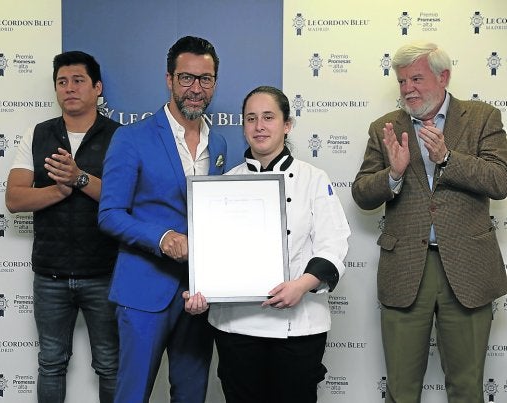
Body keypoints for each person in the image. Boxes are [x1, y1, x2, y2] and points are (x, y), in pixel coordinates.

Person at [352, 41, 507, 403]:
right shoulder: (384, 128)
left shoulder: (482, 117)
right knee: (401, 391)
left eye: (416, 79)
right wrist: (393, 174)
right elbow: (362, 193)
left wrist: (448, 158)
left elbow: (500, 181)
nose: (408, 89)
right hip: (405, 269)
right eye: (402, 81)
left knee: (467, 389)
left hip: (468, 269)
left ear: (444, 77)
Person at [184, 86, 351, 403]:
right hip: (236, 328)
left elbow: (333, 245)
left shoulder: (313, 179)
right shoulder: (223, 184)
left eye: (268, 117)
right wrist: (202, 291)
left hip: (299, 327)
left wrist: (300, 285)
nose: (259, 126)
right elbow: (214, 256)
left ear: (287, 125)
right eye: (251, 118)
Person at [98, 36, 227, 403]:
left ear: (214, 83)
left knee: (192, 395)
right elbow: (109, 214)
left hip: (198, 294)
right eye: (186, 77)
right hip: (143, 290)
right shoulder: (131, 138)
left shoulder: (218, 144)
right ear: (169, 79)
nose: (196, 89)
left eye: (205, 79)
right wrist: (162, 237)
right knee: (132, 395)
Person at [5, 51, 120, 403]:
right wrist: (57, 190)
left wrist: (79, 178)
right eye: (62, 82)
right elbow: (14, 199)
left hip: (105, 273)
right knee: (51, 364)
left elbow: (126, 200)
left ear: (97, 88)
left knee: (110, 365)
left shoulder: (121, 137)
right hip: (50, 274)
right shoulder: (38, 134)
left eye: (78, 81)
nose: (69, 88)